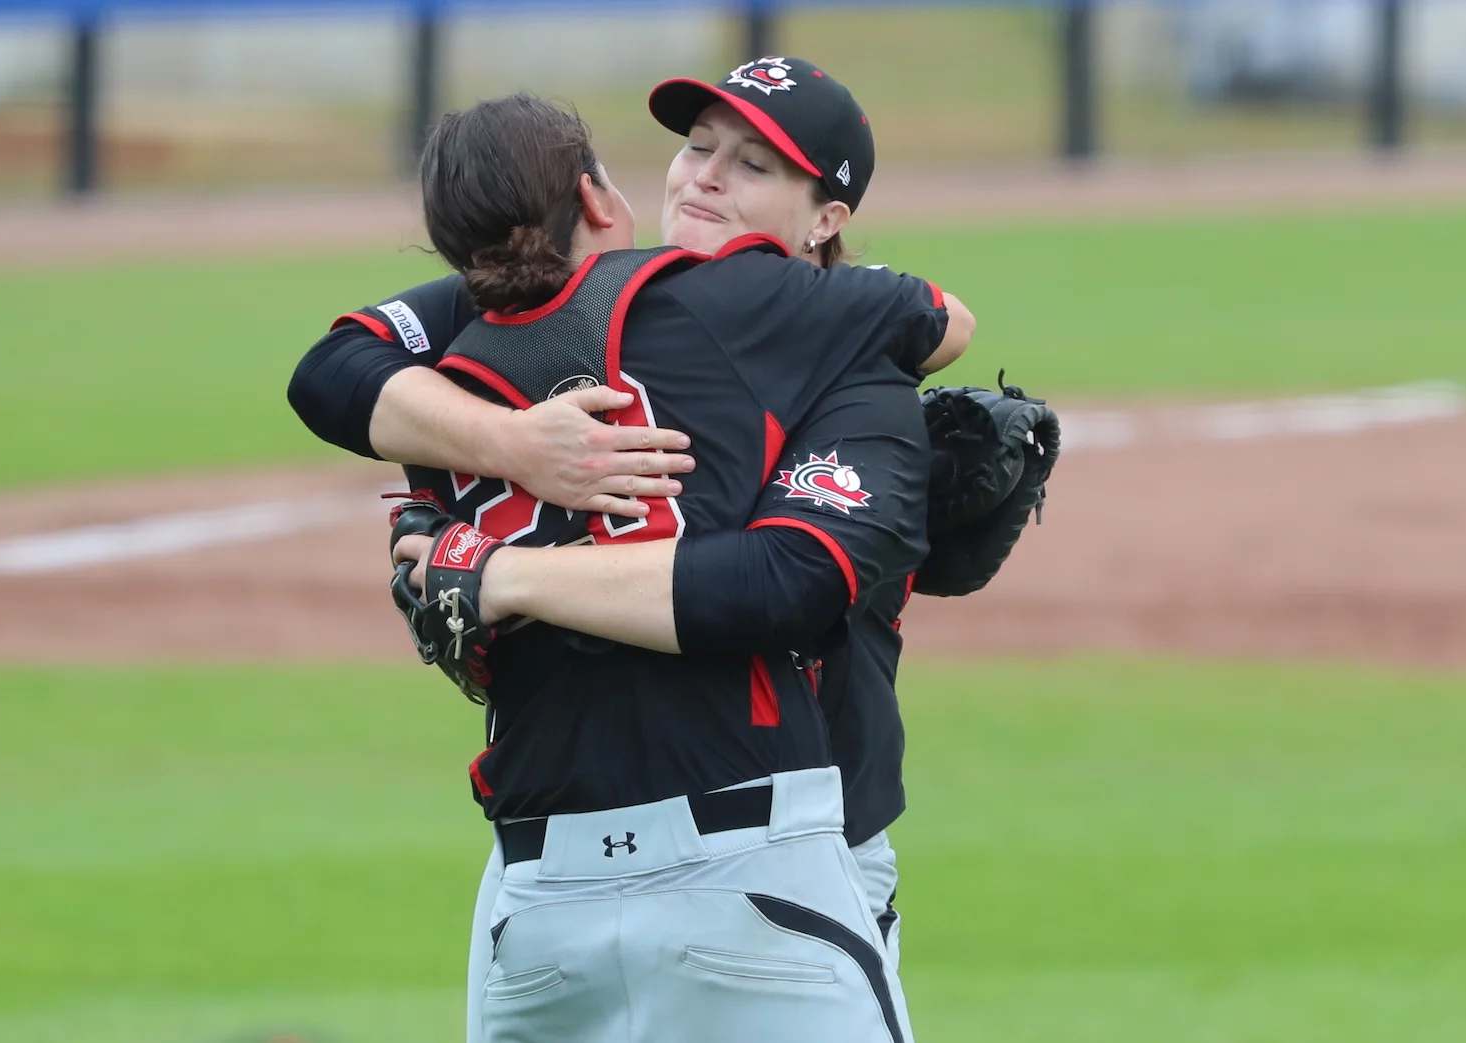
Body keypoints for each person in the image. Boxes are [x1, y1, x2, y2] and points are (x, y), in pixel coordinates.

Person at [287, 63, 973, 1041]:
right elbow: (936, 330)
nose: (702, 178)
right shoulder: (820, 326)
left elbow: (333, 372)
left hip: (539, 891)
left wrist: (480, 568)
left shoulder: (491, 327)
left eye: (751, 165)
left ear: (824, 214)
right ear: (596, 196)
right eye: (696, 147)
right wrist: (518, 452)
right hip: (758, 862)